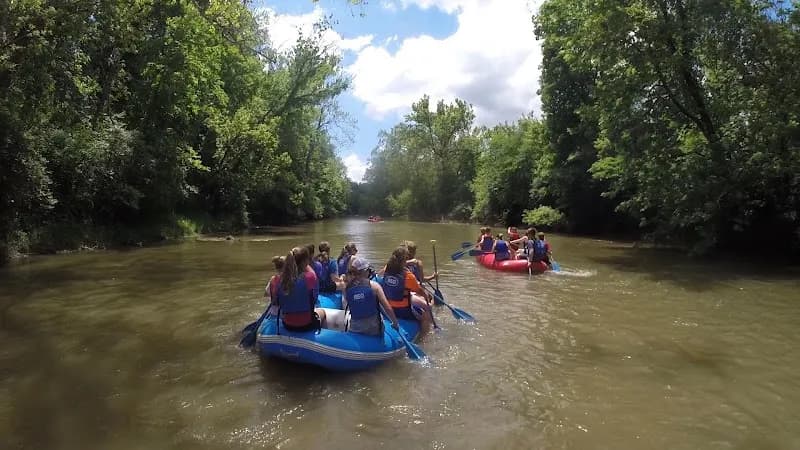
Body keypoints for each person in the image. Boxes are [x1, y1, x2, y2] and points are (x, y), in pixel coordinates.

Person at [380, 246, 434, 337]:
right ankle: (424, 337)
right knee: (427, 310)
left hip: (387, 309)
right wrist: (426, 298)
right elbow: (419, 291)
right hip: (403, 312)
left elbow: (381, 274)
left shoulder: (386, 270)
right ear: (405, 260)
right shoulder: (408, 276)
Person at [340, 256, 399, 336]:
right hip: (373, 330)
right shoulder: (375, 286)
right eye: (368, 270)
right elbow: (387, 308)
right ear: (365, 271)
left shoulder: (346, 287)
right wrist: (395, 323)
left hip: (355, 327)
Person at [275, 246, 327, 331]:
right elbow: (314, 299)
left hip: (287, 324)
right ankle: (318, 333)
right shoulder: (310, 277)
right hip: (306, 325)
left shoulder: (279, 279)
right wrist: (307, 266)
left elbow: (278, 301)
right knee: (322, 312)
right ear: (304, 262)